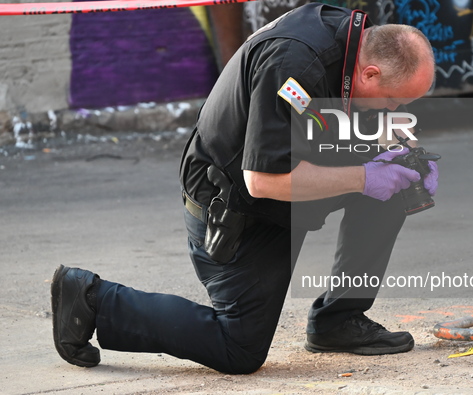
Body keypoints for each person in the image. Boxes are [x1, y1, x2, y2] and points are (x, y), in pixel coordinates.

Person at [51, 3, 438, 374]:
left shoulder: (355, 40)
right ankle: (91, 298)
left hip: (282, 175)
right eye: (393, 101)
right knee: (239, 348)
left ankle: (338, 319)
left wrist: (410, 153)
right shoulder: (294, 64)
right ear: (369, 74)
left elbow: (361, 122)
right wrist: (365, 177)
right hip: (234, 200)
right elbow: (263, 179)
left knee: (398, 180)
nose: (393, 112)